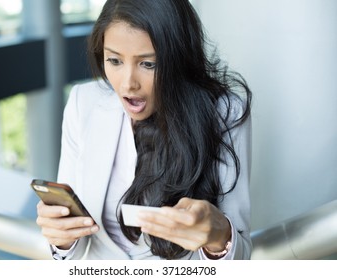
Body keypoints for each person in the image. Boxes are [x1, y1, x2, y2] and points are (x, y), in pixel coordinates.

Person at [36, 0, 252, 260]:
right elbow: (73, 250)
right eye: (114, 60)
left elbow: (241, 256)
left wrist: (217, 234)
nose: (128, 84)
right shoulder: (83, 103)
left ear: (178, 59)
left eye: (148, 64)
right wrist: (62, 239)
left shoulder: (225, 113)